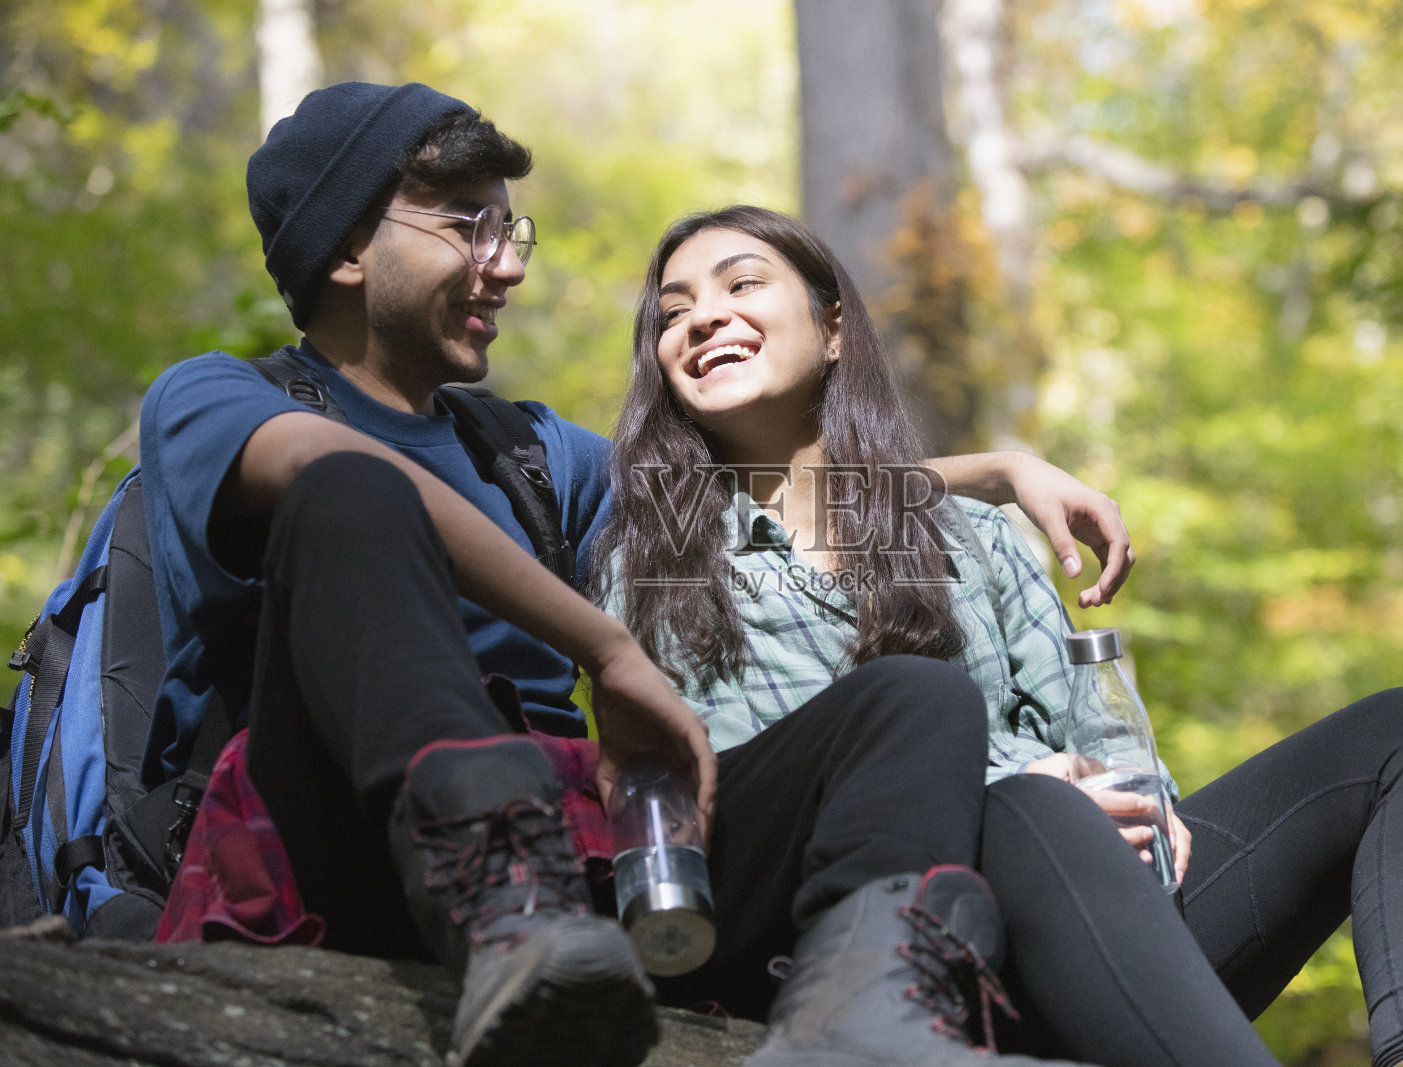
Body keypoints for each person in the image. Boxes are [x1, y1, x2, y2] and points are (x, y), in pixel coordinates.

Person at [139, 84, 1131, 1067]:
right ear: (347, 248)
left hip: (583, 861)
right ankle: (500, 911)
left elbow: (749, 484)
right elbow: (325, 466)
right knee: (350, 496)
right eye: (466, 227)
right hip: (337, 835)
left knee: (910, 698)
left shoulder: (527, 453)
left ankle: (865, 1010)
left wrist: (995, 471)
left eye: (508, 228)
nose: (506, 264)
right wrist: (604, 644)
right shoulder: (214, 397)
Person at [595, 204, 1403, 1067]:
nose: (704, 319)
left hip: (1087, 912)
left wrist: (1137, 804)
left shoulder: (975, 535)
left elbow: (1101, 739)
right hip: (864, 946)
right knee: (1028, 803)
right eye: (674, 313)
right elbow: (738, 769)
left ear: (835, 329)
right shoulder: (659, 556)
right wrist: (1023, 776)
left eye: (740, 284)